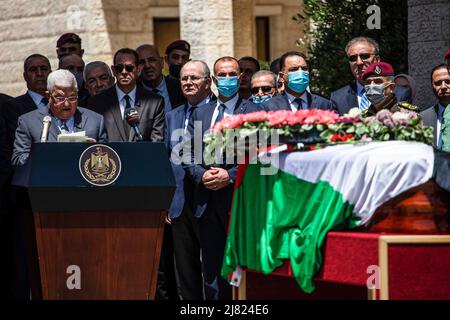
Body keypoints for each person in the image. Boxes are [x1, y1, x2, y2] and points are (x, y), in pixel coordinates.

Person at [183, 56, 258, 300]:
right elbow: (188, 154)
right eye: (222, 75)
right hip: (207, 202)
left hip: (240, 201)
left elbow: (263, 155)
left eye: (232, 74)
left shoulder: (255, 111)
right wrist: (202, 175)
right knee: (212, 271)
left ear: (240, 78)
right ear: (214, 80)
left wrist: (231, 175)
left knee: (243, 268)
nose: (227, 79)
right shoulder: (200, 112)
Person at [165, 60, 215, 300]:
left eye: (194, 78)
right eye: (184, 78)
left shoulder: (220, 111)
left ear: (208, 82)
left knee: (213, 271)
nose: (188, 83)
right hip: (179, 203)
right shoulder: (173, 115)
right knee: (185, 271)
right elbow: (167, 159)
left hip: (211, 199)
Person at [12, 70, 107, 166]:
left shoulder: (96, 120)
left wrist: (93, 151)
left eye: (72, 97)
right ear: (48, 96)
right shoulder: (28, 122)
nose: (66, 104)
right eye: (60, 98)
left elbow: (106, 159)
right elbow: (18, 161)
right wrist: (44, 154)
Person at [87, 48, 165, 142]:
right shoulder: (97, 102)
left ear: (139, 69)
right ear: (113, 70)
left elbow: (156, 142)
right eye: (119, 68)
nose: (124, 72)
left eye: (129, 68)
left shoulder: (154, 102)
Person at [331, 36, 412, 115]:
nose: (359, 62)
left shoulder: (400, 93)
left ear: (377, 59)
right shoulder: (338, 98)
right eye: (353, 58)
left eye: (365, 56)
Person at [261, 51, 334, 111]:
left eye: (304, 68)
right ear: (281, 77)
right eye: (294, 69)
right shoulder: (268, 107)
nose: (301, 72)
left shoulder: (325, 104)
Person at [136, 44, 186, 113]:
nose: (147, 66)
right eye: (141, 62)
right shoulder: (133, 93)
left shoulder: (180, 88)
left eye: (152, 60)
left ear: (162, 62)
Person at [421, 64, 450, 148]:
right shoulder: (423, 118)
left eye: (448, 82)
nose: (443, 86)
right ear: (432, 86)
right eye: (438, 83)